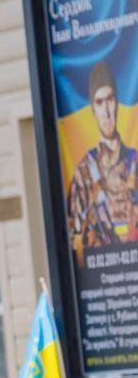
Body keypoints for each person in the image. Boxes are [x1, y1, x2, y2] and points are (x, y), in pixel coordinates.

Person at [67, 59, 138, 259]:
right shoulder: (84, 172)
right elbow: (71, 237)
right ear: (92, 109)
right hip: (102, 280)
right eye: (99, 102)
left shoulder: (135, 163)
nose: (106, 112)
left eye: (110, 99)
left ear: (117, 102)